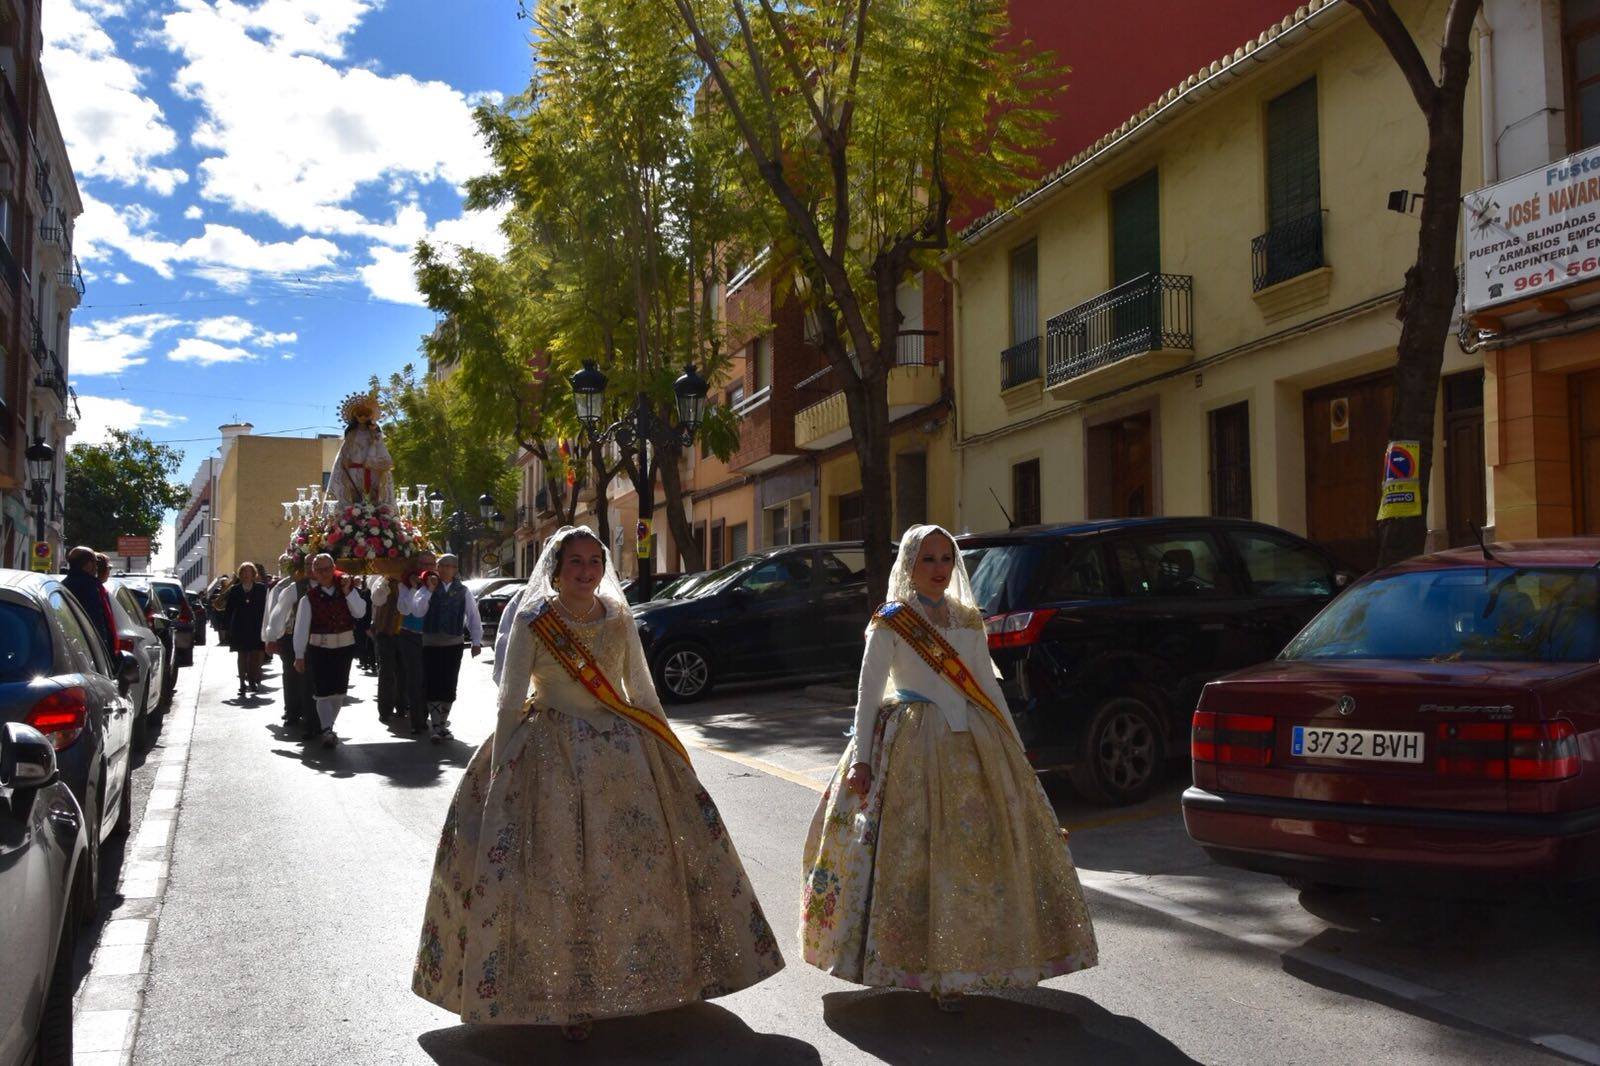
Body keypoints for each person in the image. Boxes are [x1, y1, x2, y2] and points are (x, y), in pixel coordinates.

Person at [413, 527, 783, 1040]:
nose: (585, 572)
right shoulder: (533, 619)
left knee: (633, 867)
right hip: (547, 753)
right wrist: (500, 766)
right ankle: (567, 994)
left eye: (593, 562)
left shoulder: (618, 616)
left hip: (623, 751)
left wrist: (671, 750)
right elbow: (509, 696)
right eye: (575, 563)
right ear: (557, 570)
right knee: (557, 870)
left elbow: (643, 691)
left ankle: (639, 982)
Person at [799, 524, 1097, 1012]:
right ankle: (925, 966)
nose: (938, 569)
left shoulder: (967, 618)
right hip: (911, 746)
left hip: (975, 742)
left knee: (978, 855)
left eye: (945, 559)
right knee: (915, 857)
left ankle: (972, 961)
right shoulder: (891, 621)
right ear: (910, 566)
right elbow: (868, 695)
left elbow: (988, 686)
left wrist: (1016, 749)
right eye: (927, 560)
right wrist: (862, 760)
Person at [404, 553, 482, 743]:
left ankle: (442, 723)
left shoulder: (463, 591)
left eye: (451, 566)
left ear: (456, 570)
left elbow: (473, 616)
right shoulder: (426, 588)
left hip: (453, 643)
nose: (447, 570)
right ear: (437, 568)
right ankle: (436, 726)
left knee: (449, 684)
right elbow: (417, 610)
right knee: (432, 683)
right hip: (431, 643)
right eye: (443, 566)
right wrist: (429, 591)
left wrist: (476, 641)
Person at [291, 553, 367, 748]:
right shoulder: (309, 599)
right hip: (319, 649)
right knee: (323, 692)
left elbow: (360, 612)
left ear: (333, 568)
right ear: (314, 572)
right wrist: (299, 655)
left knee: (339, 692)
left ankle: (328, 725)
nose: (324, 573)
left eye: (327, 569)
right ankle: (327, 730)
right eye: (319, 570)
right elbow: (300, 628)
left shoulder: (346, 590)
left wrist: (349, 591)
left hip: (344, 647)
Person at [263, 554, 314, 733]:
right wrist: (270, 638)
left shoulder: (328, 585)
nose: (310, 568)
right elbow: (276, 614)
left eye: (313, 564)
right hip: (290, 637)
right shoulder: (292, 587)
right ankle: (292, 712)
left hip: (316, 639)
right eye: (307, 564)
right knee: (291, 676)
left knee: (311, 679)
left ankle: (311, 714)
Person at [394, 551, 435, 737]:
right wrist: (413, 588)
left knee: (429, 678)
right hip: (410, 636)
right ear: (417, 565)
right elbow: (404, 608)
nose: (427, 567)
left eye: (430, 563)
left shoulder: (437, 583)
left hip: (432, 637)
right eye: (423, 563)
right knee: (414, 678)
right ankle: (416, 721)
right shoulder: (405, 584)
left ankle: (425, 715)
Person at [329, 392, 394, 507]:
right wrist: (345, 460)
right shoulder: (351, 434)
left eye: (366, 414)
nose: (363, 417)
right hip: (354, 469)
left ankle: (375, 515)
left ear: (371, 416)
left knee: (374, 494)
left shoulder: (374, 432)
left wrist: (375, 437)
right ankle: (354, 515)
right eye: (360, 414)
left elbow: (380, 449)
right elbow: (346, 450)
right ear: (355, 416)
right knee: (355, 494)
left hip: (372, 468)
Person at [218, 562, 269, 699]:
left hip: (256, 626)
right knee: (242, 655)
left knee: (254, 655)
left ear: (253, 574)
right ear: (240, 574)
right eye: (243, 572)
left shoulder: (261, 589)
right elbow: (229, 609)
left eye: (249, 572)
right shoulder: (235, 589)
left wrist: (268, 625)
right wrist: (226, 626)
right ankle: (242, 683)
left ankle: (253, 680)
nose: (246, 574)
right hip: (240, 626)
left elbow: (266, 608)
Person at [63, 545, 115, 657]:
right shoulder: (92, 587)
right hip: (90, 651)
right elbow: (98, 621)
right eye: (95, 563)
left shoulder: (62, 586)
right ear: (88, 564)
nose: (97, 567)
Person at [369, 576, 403, 721]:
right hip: (385, 632)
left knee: (404, 671)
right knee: (386, 671)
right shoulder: (381, 581)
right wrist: (386, 582)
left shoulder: (411, 580)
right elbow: (377, 600)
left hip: (405, 632)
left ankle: (402, 705)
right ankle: (385, 709)